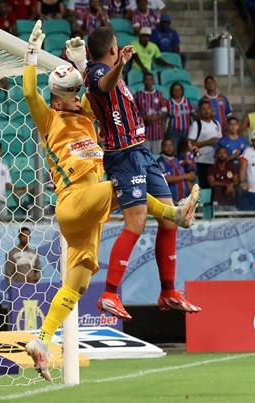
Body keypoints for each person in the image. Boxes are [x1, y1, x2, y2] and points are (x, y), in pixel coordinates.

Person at [23, 25, 199, 380]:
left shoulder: (86, 117)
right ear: (57, 99)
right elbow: (30, 92)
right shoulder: (49, 119)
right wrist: (31, 54)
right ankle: (174, 213)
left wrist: (76, 60)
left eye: (76, 94)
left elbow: (94, 91)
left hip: (87, 219)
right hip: (74, 202)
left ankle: (41, 340)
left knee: (78, 282)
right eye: (69, 95)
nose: (75, 99)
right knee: (125, 186)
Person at [80, 27, 201, 323]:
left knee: (169, 220)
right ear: (111, 50)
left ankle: (169, 290)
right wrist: (120, 65)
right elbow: (105, 86)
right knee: (135, 223)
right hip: (123, 157)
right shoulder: (98, 73)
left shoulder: (105, 69)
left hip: (141, 152)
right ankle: (109, 293)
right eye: (116, 47)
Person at [188, 100, 222, 192]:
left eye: (208, 108)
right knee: (204, 187)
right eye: (203, 109)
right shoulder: (196, 125)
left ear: (211, 109)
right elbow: (190, 144)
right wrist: (208, 142)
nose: (206, 111)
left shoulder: (216, 123)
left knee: (215, 188)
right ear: (199, 111)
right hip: (201, 161)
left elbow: (219, 141)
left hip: (214, 161)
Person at [135, 72, 168, 154]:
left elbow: (164, 112)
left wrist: (155, 118)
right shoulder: (138, 95)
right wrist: (143, 118)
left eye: (150, 80)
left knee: (157, 157)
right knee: (145, 156)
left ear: (153, 81)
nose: (148, 82)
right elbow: (134, 112)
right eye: (146, 80)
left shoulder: (159, 94)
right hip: (143, 133)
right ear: (143, 81)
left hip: (157, 132)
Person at [157, 138, 194, 203]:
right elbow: (166, 178)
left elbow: (188, 177)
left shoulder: (176, 160)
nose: (169, 148)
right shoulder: (160, 162)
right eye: (166, 146)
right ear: (162, 148)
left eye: (171, 145)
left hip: (184, 201)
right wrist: (185, 176)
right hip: (170, 202)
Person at [207, 146, 238, 212]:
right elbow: (212, 183)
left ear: (227, 155)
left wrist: (231, 185)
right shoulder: (212, 168)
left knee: (236, 217)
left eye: (224, 153)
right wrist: (227, 185)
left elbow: (236, 181)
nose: (222, 155)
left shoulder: (232, 166)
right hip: (217, 202)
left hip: (231, 202)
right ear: (216, 155)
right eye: (220, 153)